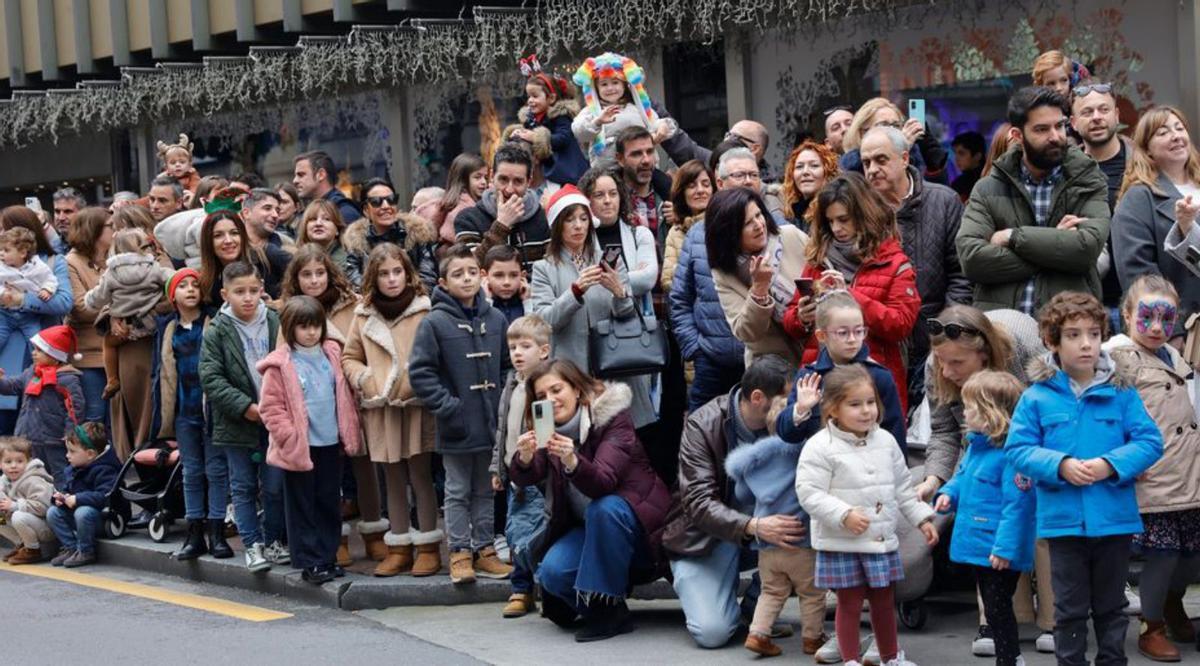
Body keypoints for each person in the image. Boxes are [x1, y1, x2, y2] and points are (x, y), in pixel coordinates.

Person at [1006, 291, 1163, 666]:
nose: (1086, 344)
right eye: (1074, 335)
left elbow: (1150, 441)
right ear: (1052, 342)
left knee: (1112, 606)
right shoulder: (1036, 397)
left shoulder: (1122, 393)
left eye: (1093, 334)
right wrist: (1059, 465)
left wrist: (1111, 464)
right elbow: (1018, 449)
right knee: (1069, 609)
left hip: (1114, 521)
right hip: (1063, 525)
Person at [913, 304, 1055, 657]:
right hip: (985, 459)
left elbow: (1051, 413)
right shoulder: (939, 366)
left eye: (957, 363)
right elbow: (946, 430)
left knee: (1033, 526)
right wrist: (937, 481)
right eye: (941, 361)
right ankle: (1000, 623)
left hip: (1032, 449)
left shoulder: (1023, 351)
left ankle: (1056, 620)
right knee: (990, 569)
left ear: (984, 353)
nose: (946, 370)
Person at [510, 359, 670, 642]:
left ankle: (604, 612)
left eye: (557, 390)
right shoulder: (548, 429)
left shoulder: (613, 418)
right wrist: (523, 457)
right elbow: (528, 476)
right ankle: (612, 608)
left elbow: (603, 482)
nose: (550, 400)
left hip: (638, 527)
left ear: (576, 388)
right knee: (553, 572)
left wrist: (572, 459)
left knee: (604, 508)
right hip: (586, 527)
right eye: (541, 396)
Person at [663, 356, 813, 650]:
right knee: (713, 632)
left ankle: (756, 603)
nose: (793, 404)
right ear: (758, 398)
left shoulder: (792, 423)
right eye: (787, 397)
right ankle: (715, 592)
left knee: (804, 520)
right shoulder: (703, 424)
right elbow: (698, 501)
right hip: (708, 536)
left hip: (769, 533)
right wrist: (753, 526)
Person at [796, 365, 939, 666]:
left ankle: (889, 658)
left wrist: (922, 518)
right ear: (833, 408)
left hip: (880, 539)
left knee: (884, 602)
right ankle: (850, 660)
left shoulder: (885, 441)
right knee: (848, 604)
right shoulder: (820, 446)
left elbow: (902, 486)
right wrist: (843, 513)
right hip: (842, 541)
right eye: (855, 404)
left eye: (870, 402)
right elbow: (809, 493)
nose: (866, 411)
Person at [1103, 275, 1200, 661]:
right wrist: (1123, 460)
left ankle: (1171, 604)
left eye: (1167, 317)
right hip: (1152, 476)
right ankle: (1152, 624)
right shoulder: (1116, 360)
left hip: (1187, 474)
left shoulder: (1174, 356)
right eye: (1147, 317)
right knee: (1163, 555)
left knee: (1191, 555)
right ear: (1126, 315)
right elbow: (1107, 416)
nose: (1157, 327)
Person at [409, 244, 513, 584]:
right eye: (458, 274)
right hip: (456, 423)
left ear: (481, 276)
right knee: (455, 490)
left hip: (491, 421)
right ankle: (459, 552)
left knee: (486, 488)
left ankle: (485, 549)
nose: (466, 279)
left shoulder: (496, 318)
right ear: (443, 281)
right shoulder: (434, 323)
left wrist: (502, 400)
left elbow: (506, 367)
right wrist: (448, 406)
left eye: (471, 272)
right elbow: (421, 373)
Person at [956, 87, 1110, 314]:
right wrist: (1054, 247)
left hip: (1069, 329)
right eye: (1042, 129)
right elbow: (971, 259)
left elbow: (1086, 249)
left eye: (1059, 126)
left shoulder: (1088, 181)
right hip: (1002, 334)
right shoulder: (988, 188)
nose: (1056, 136)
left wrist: (1013, 236)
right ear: (1018, 136)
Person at [279, 244, 386, 566]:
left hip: (351, 396)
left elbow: (363, 347)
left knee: (365, 468)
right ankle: (335, 539)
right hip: (313, 408)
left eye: (320, 273)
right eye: (307, 275)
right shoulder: (291, 310)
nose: (314, 280)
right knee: (326, 480)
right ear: (296, 279)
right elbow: (281, 362)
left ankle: (373, 533)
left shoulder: (350, 305)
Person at [341, 244, 442, 577]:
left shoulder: (424, 309)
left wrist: (419, 381)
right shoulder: (363, 314)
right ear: (373, 277)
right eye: (384, 273)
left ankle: (428, 546)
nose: (392, 279)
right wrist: (367, 379)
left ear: (408, 272)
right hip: (381, 407)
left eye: (397, 271)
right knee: (392, 477)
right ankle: (399, 546)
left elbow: (437, 354)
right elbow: (350, 357)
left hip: (416, 405)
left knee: (421, 474)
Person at [783, 173, 920, 413]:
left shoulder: (894, 262)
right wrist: (803, 317)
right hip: (822, 381)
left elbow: (901, 324)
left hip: (873, 382)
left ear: (863, 215)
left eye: (844, 219)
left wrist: (850, 296)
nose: (837, 228)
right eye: (831, 221)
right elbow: (791, 322)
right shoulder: (818, 259)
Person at [860, 124, 970, 405]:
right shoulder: (858, 211)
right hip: (878, 345)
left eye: (881, 160)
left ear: (905, 158)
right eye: (866, 162)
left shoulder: (943, 201)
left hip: (936, 339)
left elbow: (961, 273)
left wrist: (945, 329)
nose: (872, 169)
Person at [258, 295, 363, 585]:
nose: (311, 332)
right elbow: (271, 408)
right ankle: (309, 561)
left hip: (330, 443)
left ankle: (327, 557)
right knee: (302, 505)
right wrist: (288, 437)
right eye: (303, 327)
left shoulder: (331, 353)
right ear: (290, 328)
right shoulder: (280, 364)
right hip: (300, 447)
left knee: (329, 502)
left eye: (316, 325)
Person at [934, 370, 1035, 666]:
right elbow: (963, 476)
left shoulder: (1011, 456)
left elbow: (1017, 506)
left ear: (991, 413)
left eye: (970, 407)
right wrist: (948, 494)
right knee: (994, 608)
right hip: (982, 543)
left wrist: (1005, 548)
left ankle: (1010, 658)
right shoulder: (977, 447)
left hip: (996, 547)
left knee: (998, 607)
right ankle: (1010, 657)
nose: (964, 413)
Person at [199, 261, 286, 573]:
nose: (247, 298)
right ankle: (252, 544)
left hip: (275, 419)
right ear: (225, 294)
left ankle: (274, 538)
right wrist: (245, 407)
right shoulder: (217, 331)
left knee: (275, 485)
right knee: (243, 485)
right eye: (239, 292)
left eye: (253, 290)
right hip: (237, 422)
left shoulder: (275, 320)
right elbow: (211, 377)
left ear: (262, 289)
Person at [727, 388, 826, 658]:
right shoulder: (805, 451)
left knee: (770, 592)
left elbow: (742, 495)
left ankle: (758, 634)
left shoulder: (754, 459)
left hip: (767, 543)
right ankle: (813, 638)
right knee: (812, 593)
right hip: (801, 541)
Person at [150, 268, 232, 562]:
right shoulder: (168, 328)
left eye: (195, 285)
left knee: (216, 471)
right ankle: (194, 533)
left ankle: (218, 532)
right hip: (184, 412)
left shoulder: (214, 321)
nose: (190, 290)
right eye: (182, 285)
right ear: (172, 296)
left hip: (212, 410)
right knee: (191, 472)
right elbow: (161, 373)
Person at [1113, 105, 1200, 344]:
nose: (1175, 136)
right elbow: (1138, 273)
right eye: (1162, 132)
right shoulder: (1139, 197)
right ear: (1147, 150)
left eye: (1179, 128)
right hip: (1182, 333)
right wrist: (1175, 329)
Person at [777, 291, 905, 451]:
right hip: (822, 468)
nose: (852, 339)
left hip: (869, 467)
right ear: (821, 335)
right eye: (843, 333)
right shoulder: (810, 377)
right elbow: (787, 435)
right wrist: (801, 409)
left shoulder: (879, 376)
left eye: (859, 331)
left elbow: (895, 434)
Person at [708, 187, 810, 365]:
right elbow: (746, 332)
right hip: (775, 369)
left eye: (759, 215)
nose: (758, 225)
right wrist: (759, 289)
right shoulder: (724, 273)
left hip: (820, 349)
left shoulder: (790, 236)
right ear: (729, 233)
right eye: (747, 223)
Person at [491, 315, 551, 618]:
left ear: (543, 351)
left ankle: (543, 588)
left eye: (525, 346)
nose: (517, 352)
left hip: (538, 478)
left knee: (537, 533)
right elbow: (502, 429)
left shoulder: (544, 389)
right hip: (513, 476)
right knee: (515, 533)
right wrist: (497, 469)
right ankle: (521, 589)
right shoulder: (511, 384)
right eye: (513, 346)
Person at [0, 207, 74, 437]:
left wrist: (22, 299)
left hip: (40, 355)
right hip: (5, 353)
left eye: (3, 228)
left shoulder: (52, 262)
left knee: (34, 433)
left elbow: (64, 302)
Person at [84, 228, 173, 402]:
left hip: (123, 327)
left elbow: (97, 298)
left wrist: (90, 300)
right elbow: (172, 279)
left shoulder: (111, 273)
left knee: (108, 344)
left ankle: (111, 379)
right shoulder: (154, 268)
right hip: (152, 324)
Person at [1071, 81, 1128, 328]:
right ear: (1073, 123)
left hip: (1138, 303)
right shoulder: (1064, 173)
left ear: (1116, 115)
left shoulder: (1146, 164)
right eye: (1087, 112)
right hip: (1085, 306)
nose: (1096, 117)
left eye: (1103, 110)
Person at [455, 144, 552, 274]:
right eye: (503, 180)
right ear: (492, 176)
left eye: (518, 181)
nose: (509, 189)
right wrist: (501, 225)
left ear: (529, 182)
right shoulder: (468, 219)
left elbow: (551, 271)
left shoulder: (542, 218)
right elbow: (468, 271)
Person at [571, 52, 673, 163]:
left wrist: (662, 126)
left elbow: (654, 122)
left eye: (615, 82)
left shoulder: (637, 108)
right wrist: (597, 122)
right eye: (604, 84)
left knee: (663, 181)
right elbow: (579, 132)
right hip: (608, 170)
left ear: (624, 85)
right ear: (596, 88)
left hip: (642, 167)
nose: (610, 88)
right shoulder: (591, 112)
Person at [505, 56, 588, 187]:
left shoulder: (561, 116)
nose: (530, 101)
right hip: (548, 171)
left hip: (567, 171)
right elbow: (527, 133)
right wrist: (519, 132)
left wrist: (536, 137)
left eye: (535, 96)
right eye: (528, 96)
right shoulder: (532, 118)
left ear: (551, 98)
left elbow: (563, 138)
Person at [342, 178, 438, 292]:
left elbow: (428, 278)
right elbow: (353, 279)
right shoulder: (356, 242)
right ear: (366, 210)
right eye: (376, 202)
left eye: (391, 199)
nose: (386, 206)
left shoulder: (417, 233)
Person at [46, 422, 119, 568]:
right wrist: (60, 498)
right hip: (82, 516)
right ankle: (71, 547)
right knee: (53, 512)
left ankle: (86, 551)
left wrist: (78, 499)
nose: (67, 456)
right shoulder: (73, 469)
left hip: (105, 517)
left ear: (90, 454)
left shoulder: (106, 469)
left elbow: (105, 496)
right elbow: (67, 489)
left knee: (82, 512)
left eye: (72, 452)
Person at [64, 207, 112, 425]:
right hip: (88, 354)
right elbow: (82, 308)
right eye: (110, 226)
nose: (115, 230)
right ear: (93, 231)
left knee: (117, 419)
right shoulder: (71, 262)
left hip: (117, 350)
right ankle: (93, 459)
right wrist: (118, 308)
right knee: (95, 416)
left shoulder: (114, 258)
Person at [839, 98, 945, 183]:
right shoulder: (851, 168)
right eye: (883, 125)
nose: (892, 131)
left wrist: (932, 161)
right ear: (862, 133)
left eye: (896, 125)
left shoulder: (914, 155)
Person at [0, 436, 55, 565]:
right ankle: (23, 545)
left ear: (28, 461)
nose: (14, 466)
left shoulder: (34, 479)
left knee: (19, 516)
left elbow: (43, 507)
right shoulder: (4, 481)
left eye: (19, 461)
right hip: (27, 526)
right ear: (0, 464)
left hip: (44, 527)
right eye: (8, 462)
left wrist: (14, 505)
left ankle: (32, 550)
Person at [661, 160, 714, 293]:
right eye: (692, 186)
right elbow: (667, 281)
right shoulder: (676, 231)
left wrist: (681, 271)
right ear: (682, 192)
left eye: (706, 184)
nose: (700, 190)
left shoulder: (723, 222)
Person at [614, 127, 674, 243]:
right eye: (636, 154)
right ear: (620, 159)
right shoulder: (611, 201)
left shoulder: (671, 195)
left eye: (650, 152)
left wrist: (681, 219)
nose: (646, 160)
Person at [0, 227, 58, 344]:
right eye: (1, 249)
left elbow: (50, 279)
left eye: (6, 250)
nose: (1, 253)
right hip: (5, 313)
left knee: (36, 342)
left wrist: (47, 289)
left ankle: (39, 362)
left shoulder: (38, 266)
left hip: (29, 315)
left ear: (22, 253)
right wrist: (2, 292)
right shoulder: (1, 266)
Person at [239, 189, 294, 299]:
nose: (275, 215)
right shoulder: (232, 246)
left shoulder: (287, 245)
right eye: (267, 208)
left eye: (277, 211)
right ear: (246, 213)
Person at [197, 209, 253, 308]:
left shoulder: (265, 262)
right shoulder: (205, 282)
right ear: (208, 242)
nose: (228, 240)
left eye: (234, 233)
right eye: (218, 235)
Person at [780, 140, 839, 232]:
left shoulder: (834, 208)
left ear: (827, 172)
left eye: (814, 166)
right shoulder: (791, 212)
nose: (805, 172)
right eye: (799, 167)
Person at [293, 151, 362, 224]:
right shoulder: (307, 212)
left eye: (301, 175)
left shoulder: (344, 212)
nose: (295, 181)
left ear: (321, 175)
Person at [434, 154, 489, 247]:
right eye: (477, 177)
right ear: (463, 180)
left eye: (486, 177)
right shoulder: (461, 211)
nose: (484, 182)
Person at [483, 244, 528, 325]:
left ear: (523, 276)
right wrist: (487, 301)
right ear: (484, 276)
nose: (507, 282)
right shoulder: (475, 303)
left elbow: (534, 332)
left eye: (513, 275)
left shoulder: (531, 302)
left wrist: (527, 302)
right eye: (498, 275)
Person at [295, 200, 348, 267]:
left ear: (337, 229)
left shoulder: (347, 262)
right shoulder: (295, 259)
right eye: (313, 219)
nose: (318, 223)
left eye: (326, 219)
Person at [950, 131, 986, 201]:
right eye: (955, 153)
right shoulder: (958, 182)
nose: (956, 158)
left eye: (961, 153)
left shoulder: (988, 182)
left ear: (977, 156)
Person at [51, 187, 87, 253]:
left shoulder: (94, 244)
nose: (61, 218)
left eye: (68, 211)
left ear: (82, 213)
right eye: (57, 211)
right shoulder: (51, 247)